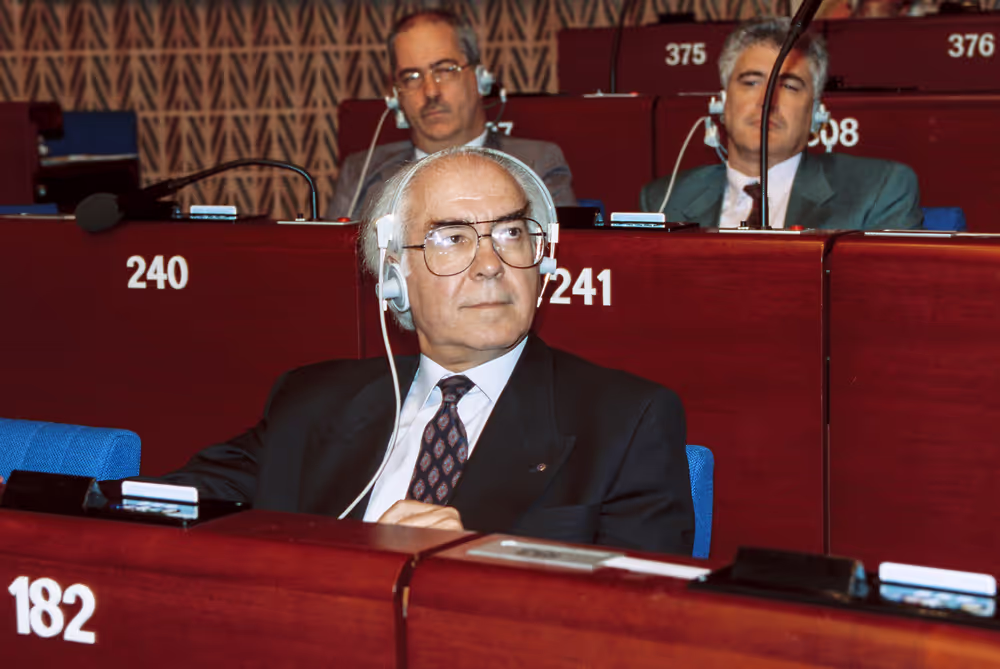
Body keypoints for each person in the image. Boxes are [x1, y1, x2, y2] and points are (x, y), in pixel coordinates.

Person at [156, 147, 693, 555]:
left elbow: (641, 623)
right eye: (452, 239)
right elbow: (158, 503)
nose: (490, 263)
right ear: (395, 277)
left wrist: (475, 566)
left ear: (543, 262)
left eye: (511, 233)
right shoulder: (313, 401)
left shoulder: (628, 421)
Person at [641, 18, 923, 230]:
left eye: (788, 86)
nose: (767, 101)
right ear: (721, 105)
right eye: (751, 82)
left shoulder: (878, 190)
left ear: (816, 115)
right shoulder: (664, 200)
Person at [327, 9, 577, 221]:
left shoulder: (538, 165)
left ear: (480, 79)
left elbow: (560, 262)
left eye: (445, 70)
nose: (431, 91)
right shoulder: (361, 174)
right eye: (412, 77)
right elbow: (330, 266)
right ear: (396, 95)